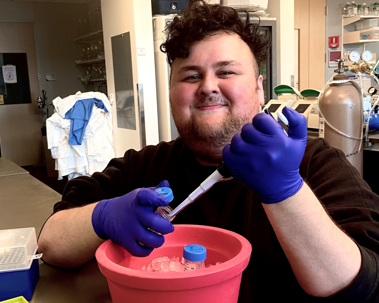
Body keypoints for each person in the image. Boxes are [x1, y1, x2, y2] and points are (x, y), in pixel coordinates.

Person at [38, 1, 379, 302]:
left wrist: (286, 193)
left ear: (260, 88)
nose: (208, 87)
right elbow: (51, 243)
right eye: (190, 76)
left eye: (226, 71)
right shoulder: (142, 167)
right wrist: (101, 217)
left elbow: (362, 284)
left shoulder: (314, 164)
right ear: (171, 92)